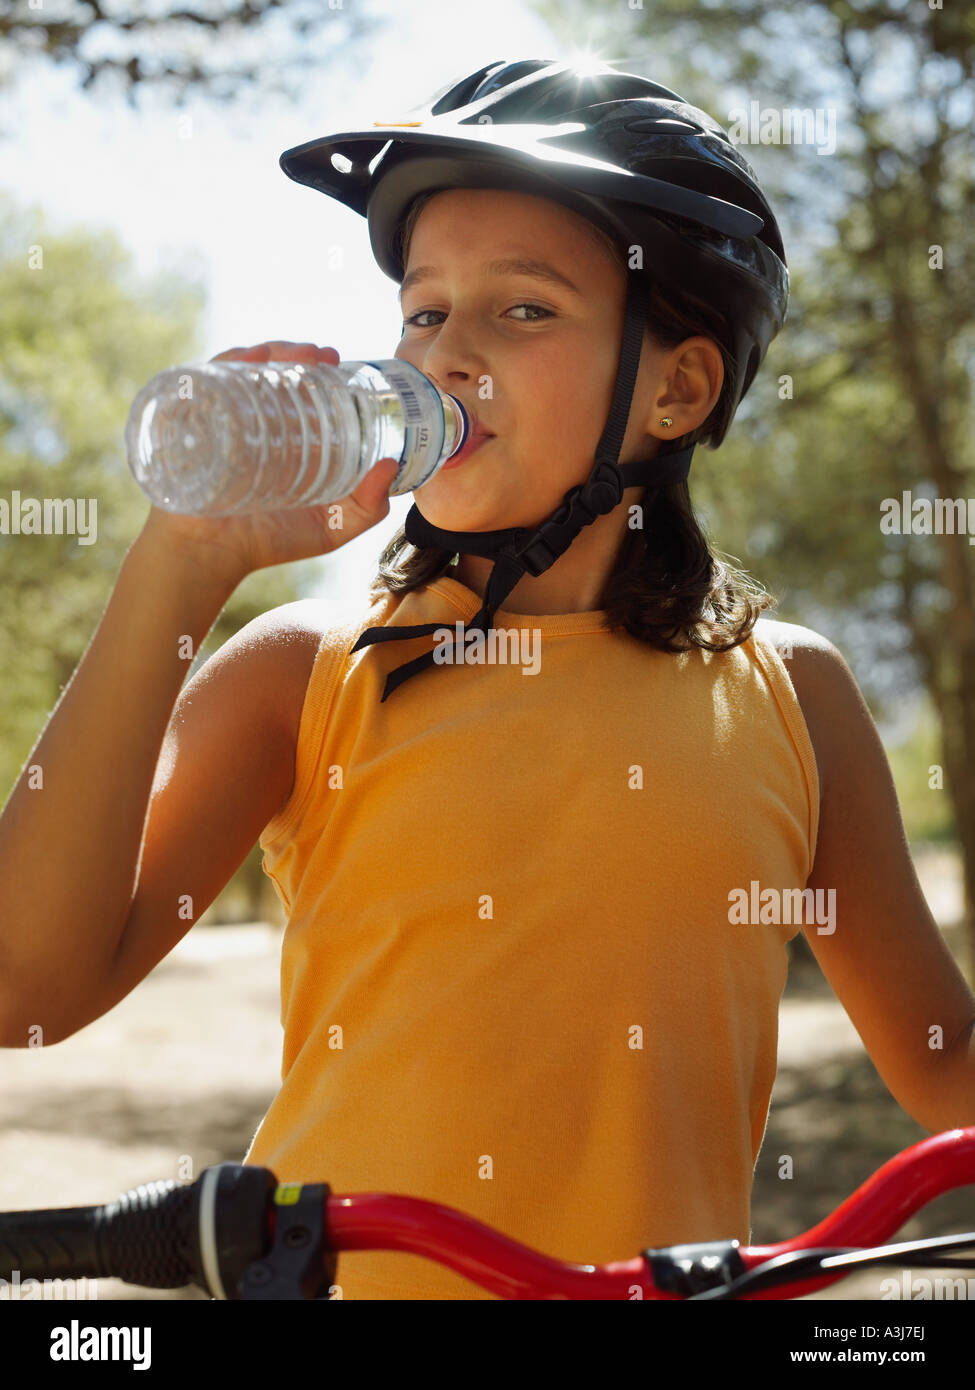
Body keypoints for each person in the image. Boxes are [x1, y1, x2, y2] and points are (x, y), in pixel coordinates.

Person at [1, 59, 973, 1302]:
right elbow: (24, 989)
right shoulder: (304, 672)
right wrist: (182, 564)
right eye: (423, 311)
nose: (448, 351)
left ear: (674, 389)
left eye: (522, 311)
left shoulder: (794, 695)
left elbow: (945, 1063)